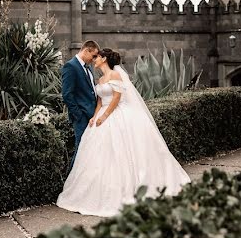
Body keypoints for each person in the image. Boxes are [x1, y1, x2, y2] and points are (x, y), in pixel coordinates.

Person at [57, 48, 190, 217]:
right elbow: (99, 101)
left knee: (119, 152)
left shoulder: (115, 75)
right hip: (100, 117)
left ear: (104, 59)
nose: (94, 60)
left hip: (115, 116)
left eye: (97, 57)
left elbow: (116, 99)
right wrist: (95, 116)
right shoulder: (100, 78)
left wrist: (104, 116)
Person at [61, 40, 99, 168]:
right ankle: (71, 184)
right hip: (82, 118)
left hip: (91, 117)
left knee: (87, 153)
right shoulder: (71, 66)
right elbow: (67, 94)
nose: (94, 60)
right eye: (93, 56)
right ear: (86, 50)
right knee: (81, 152)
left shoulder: (87, 68)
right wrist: (78, 115)